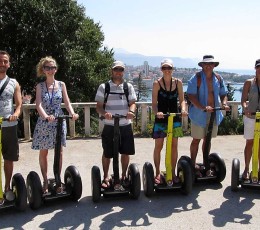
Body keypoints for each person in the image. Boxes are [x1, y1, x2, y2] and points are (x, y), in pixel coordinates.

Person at [31, 56, 79, 195]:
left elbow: (67, 101)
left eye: (52, 67)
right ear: (43, 70)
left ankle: (57, 180)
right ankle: (45, 180)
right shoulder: (40, 86)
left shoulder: (61, 84)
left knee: (59, 150)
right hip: (45, 121)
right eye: (47, 67)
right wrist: (45, 116)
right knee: (44, 151)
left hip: (58, 120)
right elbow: (38, 104)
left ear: (56, 69)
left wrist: (72, 113)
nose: (50, 70)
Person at [95, 60, 137, 191]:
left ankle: (123, 176)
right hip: (109, 124)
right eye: (116, 70)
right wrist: (104, 113)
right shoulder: (104, 87)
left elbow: (133, 103)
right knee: (107, 153)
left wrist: (131, 111)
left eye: (121, 70)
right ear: (111, 71)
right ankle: (106, 177)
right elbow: (98, 107)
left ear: (123, 72)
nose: (118, 72)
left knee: (125, 152)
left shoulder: (128, 87)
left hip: (125, 124)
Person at [187, 55, 229, 176]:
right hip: (199, 115)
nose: (208, 66)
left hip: (214, 114)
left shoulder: (218, 78)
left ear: (214, 65)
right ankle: (193, 165)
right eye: (206, 64)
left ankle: (206, 165)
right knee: (196, 140)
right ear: (202, 65)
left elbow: (223, 93)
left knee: (208, 139)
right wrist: (202, 107)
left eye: (211, 64)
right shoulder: (197, 78)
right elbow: (191, 95)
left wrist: (224, 103)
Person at [152, 58, 187, 186]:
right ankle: (157, 172)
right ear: (161, 69)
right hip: (161, 119)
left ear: (172, 69)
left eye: (169, 68)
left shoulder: (178, 83)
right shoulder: (157, 83)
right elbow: (154, 103)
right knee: (159, 146)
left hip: (174, 117)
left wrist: (183, 109)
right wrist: (157, 113)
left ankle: (171, 172)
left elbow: (182, 100)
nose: (167, 70)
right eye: (164, 68)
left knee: (173, 146)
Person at [0, 51, 22, 205]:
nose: (2, 64)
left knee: (9, 158)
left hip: (9, 124)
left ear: (9, 64)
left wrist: (15, 114)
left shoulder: (14, 82)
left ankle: (7, 187)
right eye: (0, 61)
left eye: (5, 61)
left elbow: (19, 104)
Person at [241, 59, 260, 181]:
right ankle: (247, 168)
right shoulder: (249, 82)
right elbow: (243, 100)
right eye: (258, 67)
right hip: (250, 117)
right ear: (255, 68)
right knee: (250, 143)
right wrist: (245, 108)